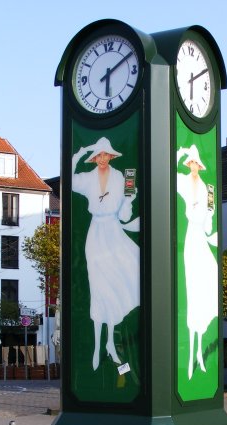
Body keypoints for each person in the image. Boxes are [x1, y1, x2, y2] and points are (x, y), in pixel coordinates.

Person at [72, 137, 140, 371]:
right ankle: (97, 346)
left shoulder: (121, 177)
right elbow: (70, 181)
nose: (102, 159)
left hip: (112, 228)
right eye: (98, 155)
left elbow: (124, 213)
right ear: (95, 158)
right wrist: (79, 154)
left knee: (115, 282)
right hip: (96, 231)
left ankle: (110, 343)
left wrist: (129, 200)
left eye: (105, 155)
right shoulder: (88, 177)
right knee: (97, 284)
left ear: (111, 156)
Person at [176, 144, 217, 379]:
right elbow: (169, 175)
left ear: (200, 166)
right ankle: (192, 353)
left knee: (204, 286)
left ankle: (199, 352)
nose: (193, 166)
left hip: (201, 236)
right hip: (190, 237)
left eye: (195, 163)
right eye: (190, 162)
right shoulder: (182, 181)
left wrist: (212, 236)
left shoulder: (208, 189)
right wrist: (179, 152)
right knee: (191, 289)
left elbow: (210, 221)